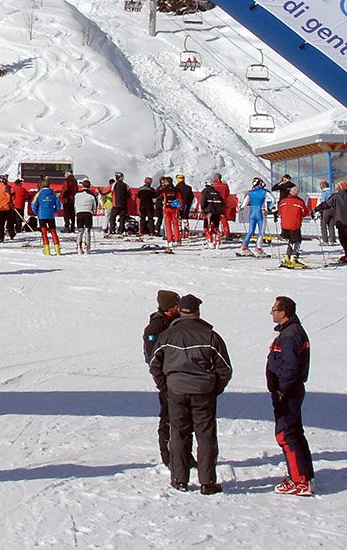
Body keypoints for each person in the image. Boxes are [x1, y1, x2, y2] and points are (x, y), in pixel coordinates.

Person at [149, 293, 231, 495]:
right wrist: (214, 388)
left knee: (178, 434)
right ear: (197, 311)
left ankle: (179, 479)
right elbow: (225, 368)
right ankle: (207, 481)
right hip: (202, 392)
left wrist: (166, 385)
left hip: (176, 390)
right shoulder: (210, 336)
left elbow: (154, 364)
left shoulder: (167, 335)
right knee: (206, 435)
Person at [267, 295, 314, 496]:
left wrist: (281, 389)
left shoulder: (290, 335)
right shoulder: (289, 332)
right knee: (294, 432)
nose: (271, 312)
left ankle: (300, 480)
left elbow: (290, 366)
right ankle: (303, 476)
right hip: (288, 391)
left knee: (286, 435)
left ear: (283, 312)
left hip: (288, 392)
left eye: (274, 309)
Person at [143, 290, 181, 468]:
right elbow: (152, 357)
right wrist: (162, 380)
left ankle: (183, 455)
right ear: (168, 308)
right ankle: (168, 457)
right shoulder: (156, 328)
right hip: (167, 379)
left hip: (181, 378)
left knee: (183, 420)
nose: (179, 308)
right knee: (168, 418)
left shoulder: (177, 322)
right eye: (176, 305)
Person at [319, 181, 347, 263]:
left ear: (340, 187)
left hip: (340, 220)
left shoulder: (336, 196)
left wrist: (317, 209)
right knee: (345, 237)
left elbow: (326, 204)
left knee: (343, 239)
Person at [239, 178, 270, 256]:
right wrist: (268, 209)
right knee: (261, 232)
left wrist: (240, 207)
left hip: (252, 214)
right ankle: (258, 249)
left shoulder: (250, 193)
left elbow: (243, 205)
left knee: (251, 231)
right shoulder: (264, 191)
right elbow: (273, 200)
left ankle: (244, 247)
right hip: (261, 213)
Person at [277, 188, 308, 267]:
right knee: (297, 240)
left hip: (284, 224)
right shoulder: (300, 202)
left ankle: (287, 256)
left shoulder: (283, 201)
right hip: (295, 224)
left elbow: (279, 211)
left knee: (291, 239)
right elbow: (305, 212)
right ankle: (294, 257)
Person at [33, 178, 62, 255]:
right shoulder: (53, 194)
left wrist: (37, 213)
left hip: (42, 216)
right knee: (53, 231)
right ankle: (57, 250)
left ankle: (47, 250)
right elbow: (59, 206)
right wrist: (53, 211)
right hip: (50, 216)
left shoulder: (38, 194)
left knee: (44, 232)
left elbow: (33, 205)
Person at [74, 179, 98, 254]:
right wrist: (94, 210)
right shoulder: (92, 194)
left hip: (79, 212)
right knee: (87, 230)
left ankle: (78, 246)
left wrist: (76, 211)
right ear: (89, 186)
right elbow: (95, 205)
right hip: (88, 213)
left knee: (80, 230)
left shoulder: (77, 194)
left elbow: (74, 204)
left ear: (82, 186)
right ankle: (87, 247)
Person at [200, 180, 225, 247]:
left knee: (206, 226)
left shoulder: (205, 191)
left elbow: (203, 201)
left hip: (209, 211)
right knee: (216, 226)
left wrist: (202, 208)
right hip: (217, 212)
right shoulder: (217, 192)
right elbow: (223, 202)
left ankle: (210, 240)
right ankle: (217, 239)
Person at [0, 175, 18, 242]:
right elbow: (8, 196)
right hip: (6, 207)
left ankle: (1, 237)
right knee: (10, 222)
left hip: (0, 207)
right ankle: (11, 234)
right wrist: (11, 203)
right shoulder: (6, 187)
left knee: (1, 223)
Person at [161, 176, 182, 249]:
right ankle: (177, 240)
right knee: (175, 224)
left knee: (168, 225)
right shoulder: (176, 189)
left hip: (167, 208)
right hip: (175, 208)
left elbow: (160, 197)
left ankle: (170, 240)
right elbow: (179, 199)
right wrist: (180, 207)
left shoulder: (164, 189)